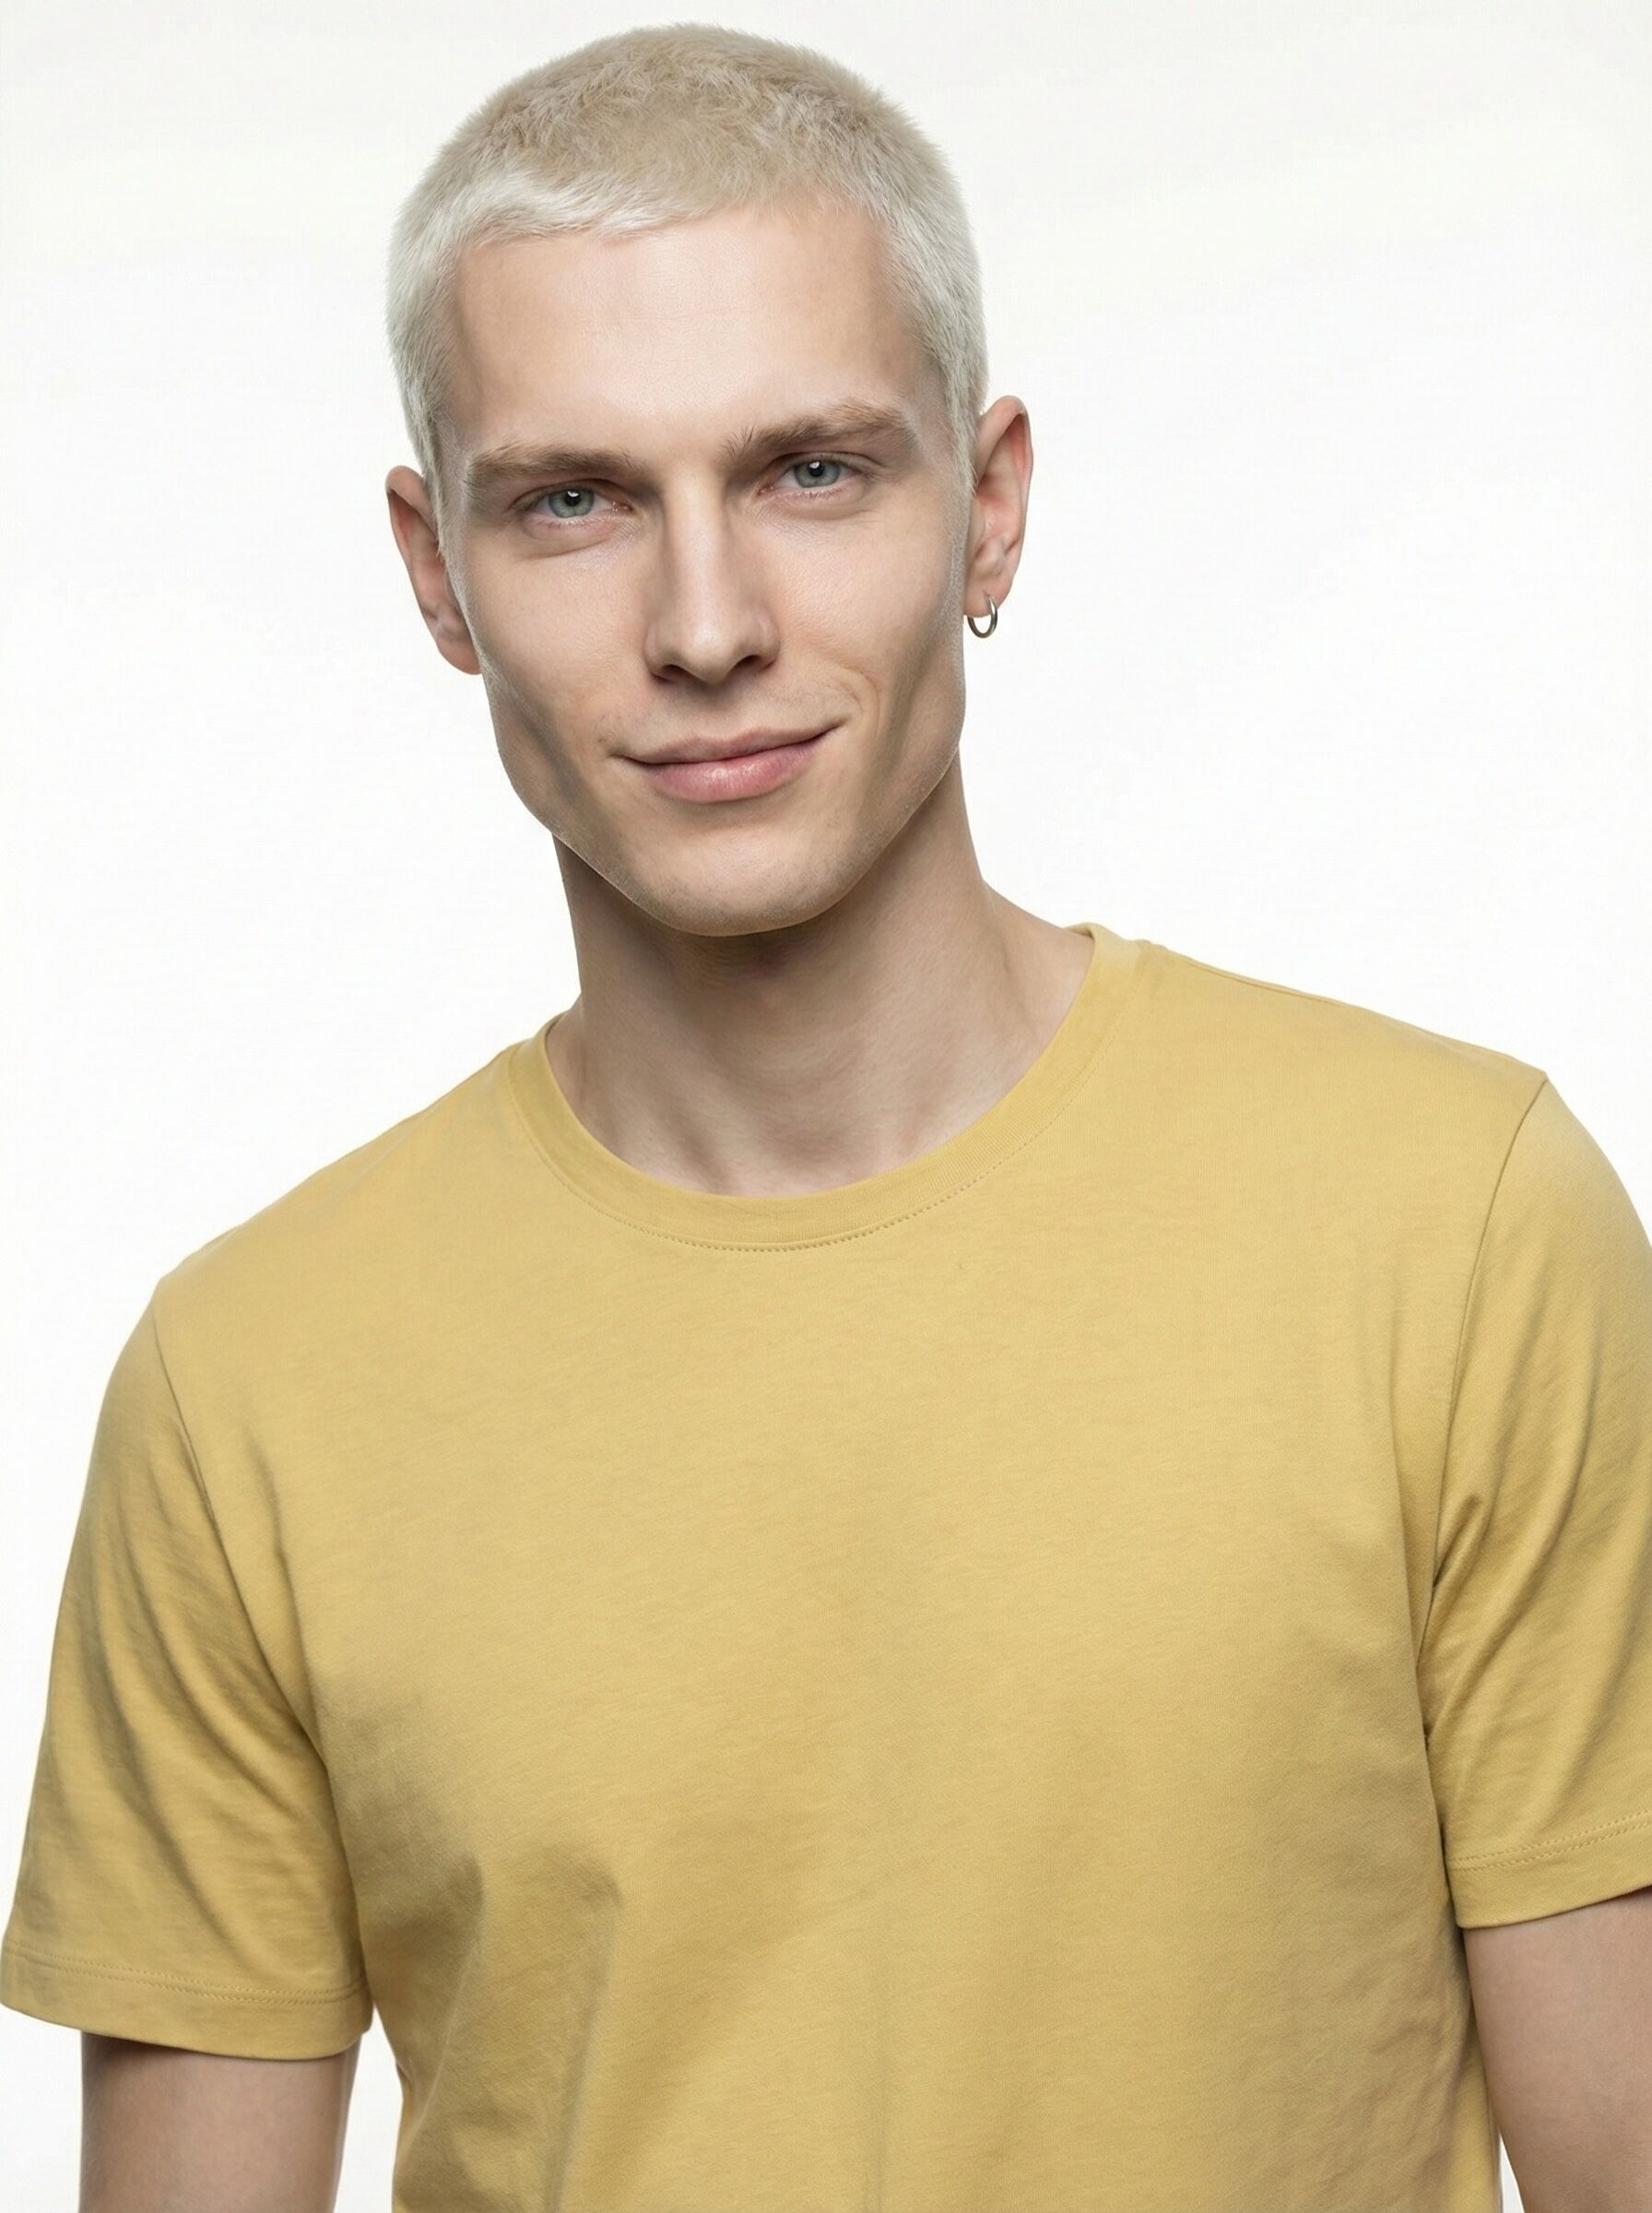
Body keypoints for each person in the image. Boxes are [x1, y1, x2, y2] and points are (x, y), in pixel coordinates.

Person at [5, 22, 1650, 2213]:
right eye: (573, 501)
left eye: (809, 472)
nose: (706, 627)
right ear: (434, 570)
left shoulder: (1449, 1231)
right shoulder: (250, 1389)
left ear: (987, 502)